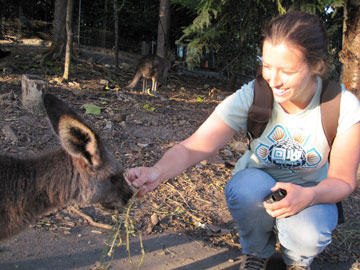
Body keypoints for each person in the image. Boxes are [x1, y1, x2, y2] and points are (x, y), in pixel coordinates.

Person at [125, 11, 360, 270]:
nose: (274, 80)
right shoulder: (254, 95)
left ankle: (296, 262)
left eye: (287, 71)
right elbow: (194, 146)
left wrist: (310, 195)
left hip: (313, 192)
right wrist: (156, 172)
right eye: (267, 66)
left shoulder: (342, 105)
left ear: (316, 66)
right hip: (260, 184)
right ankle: (257, 253)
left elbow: (342, 181)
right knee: (244, 189)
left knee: (307, 232)